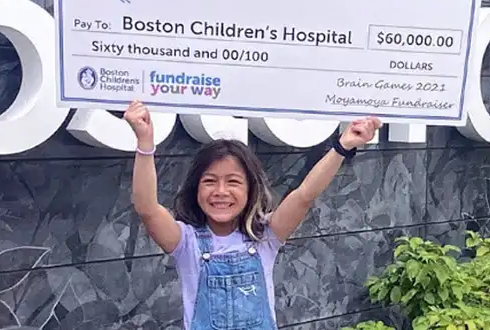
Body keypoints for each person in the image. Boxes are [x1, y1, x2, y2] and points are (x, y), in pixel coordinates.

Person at [124, 100, 381, 330]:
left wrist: (343, 145)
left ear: (250, 190)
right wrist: (145, 143)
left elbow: (304, 195)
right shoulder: (186, 242)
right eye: (210, 181)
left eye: (233, 182)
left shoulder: (266, 236)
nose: (221, 191)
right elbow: (147, 208)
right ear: (196, 188)